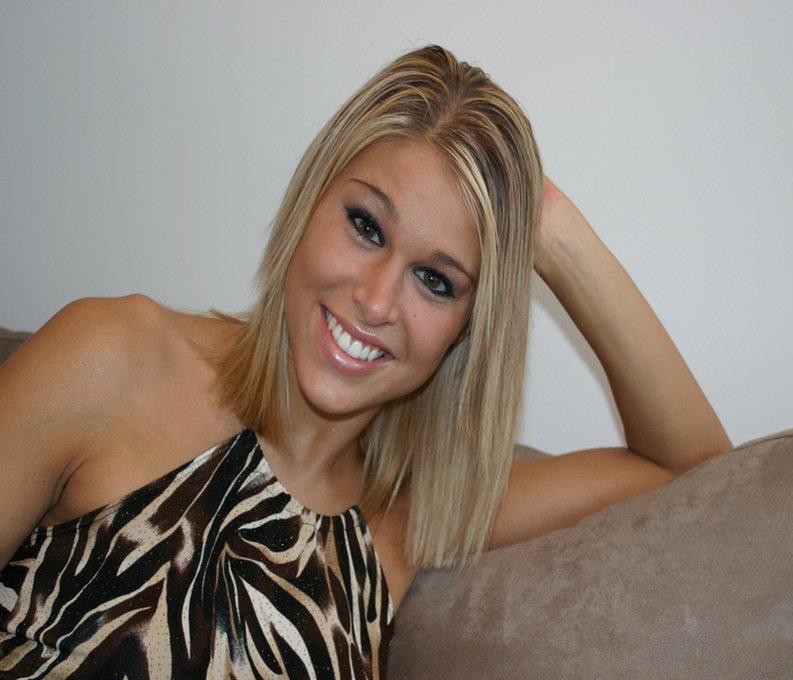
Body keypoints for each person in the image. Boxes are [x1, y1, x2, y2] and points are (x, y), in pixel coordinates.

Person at [0, 45, 730, 679]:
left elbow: (700, 473)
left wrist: (551, 228)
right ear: (309, 201)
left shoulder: (411, 512)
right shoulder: (112, 357)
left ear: (466, 331)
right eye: (365, 225)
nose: (376, 301)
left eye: (436, 280)